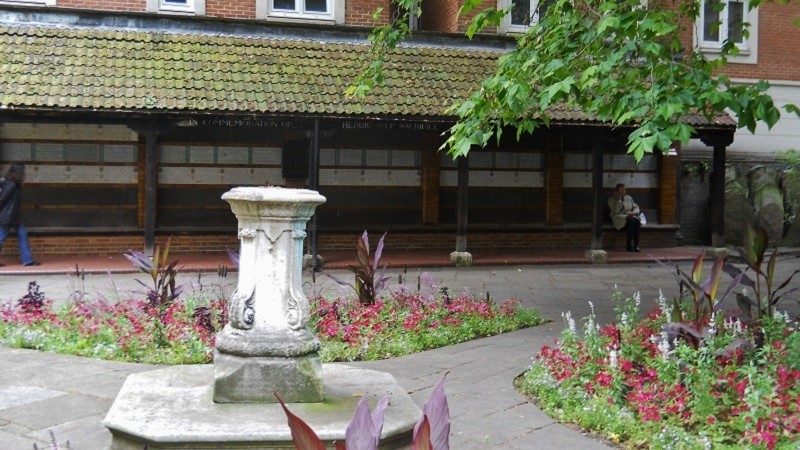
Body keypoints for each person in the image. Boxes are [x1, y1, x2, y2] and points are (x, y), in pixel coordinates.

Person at [0, 163, 41, 266]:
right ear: (18, 173)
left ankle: (27, 260)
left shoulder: (13, 183)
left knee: (22, 235)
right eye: (22, 172)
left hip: (14, 216)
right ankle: (27, 260)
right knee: (2, 237)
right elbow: (2, 199)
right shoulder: (11, 185)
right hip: (8, 217)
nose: (24, 174)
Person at [608, 183, 641, 252]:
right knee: (631, 221)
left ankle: (636, 245)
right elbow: (615, 211)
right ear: (617, 191)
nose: (623, 192)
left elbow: (636, 206)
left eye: (624, 190)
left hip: (630, 217)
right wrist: (619, 200)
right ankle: (629, 245)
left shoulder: (629, 198)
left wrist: (634, 212)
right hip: (619, 218)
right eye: (621, 190)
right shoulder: (611, 199)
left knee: (637, 221)